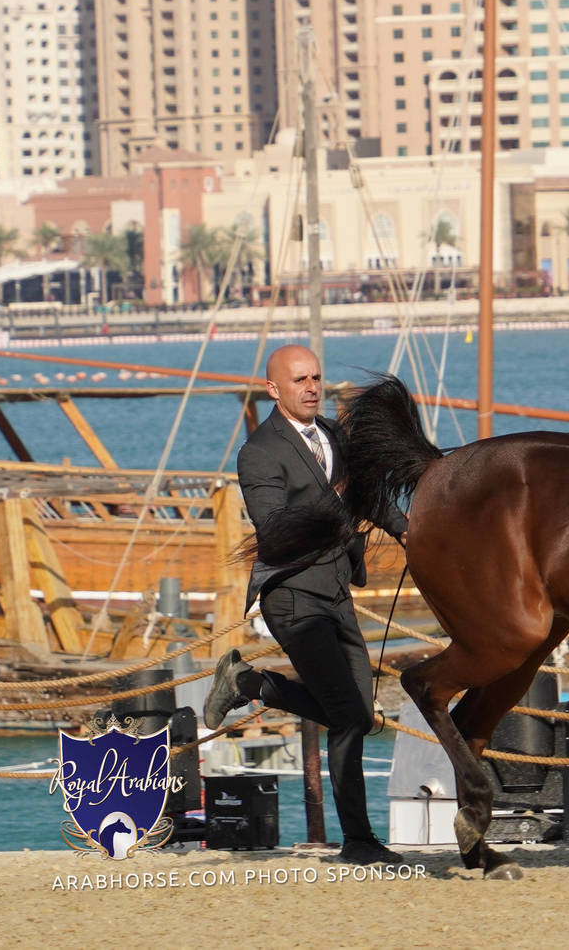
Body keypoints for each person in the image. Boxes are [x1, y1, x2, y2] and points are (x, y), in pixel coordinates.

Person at [204, 344, 408, 866]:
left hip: (339, 592)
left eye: (317, 377)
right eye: (299, 380)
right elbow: (274, 531)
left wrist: (410, 531)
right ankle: (359, 841)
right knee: (346, 713)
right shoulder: (259, 451)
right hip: (293, 596)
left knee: (356, 717)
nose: (312, 387)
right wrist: (333, 500)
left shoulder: (335, 435)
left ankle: (249, 683)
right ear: (274, 388)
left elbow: (364, 496)